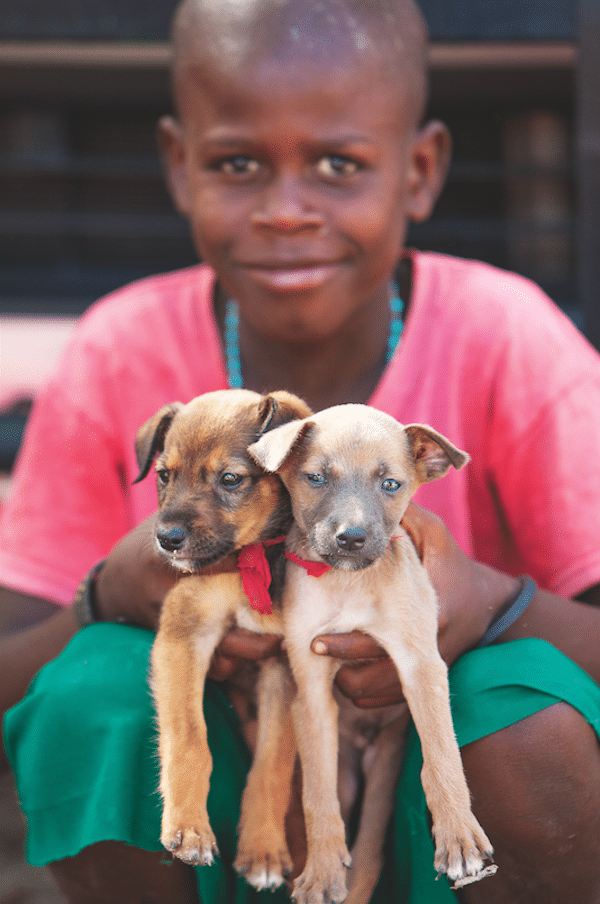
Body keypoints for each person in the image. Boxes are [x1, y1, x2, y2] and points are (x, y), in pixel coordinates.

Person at [2, 1, 600, 902]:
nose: (286, 212)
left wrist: (492, 603)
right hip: (229, 807)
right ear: (178, 163)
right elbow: (12, 668)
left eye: (337, 163)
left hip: (442, 803)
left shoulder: (507, 338)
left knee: (528, 719)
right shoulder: (120, 351)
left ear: (421, 168)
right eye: (238, 164)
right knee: (91, 701)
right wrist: (106, 596)